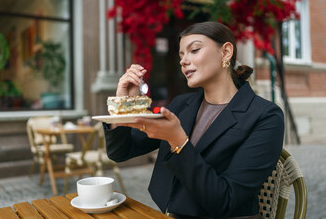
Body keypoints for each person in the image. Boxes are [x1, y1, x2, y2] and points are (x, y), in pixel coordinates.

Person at [103, 21, 284, 219]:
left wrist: (178, 142)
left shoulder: (265, 116)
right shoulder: (182, 105)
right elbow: (121, 152)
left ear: (226, 52)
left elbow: (227, 201)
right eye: (181, 55)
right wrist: (123, 106)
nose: (183, 61)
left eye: (194, 50)